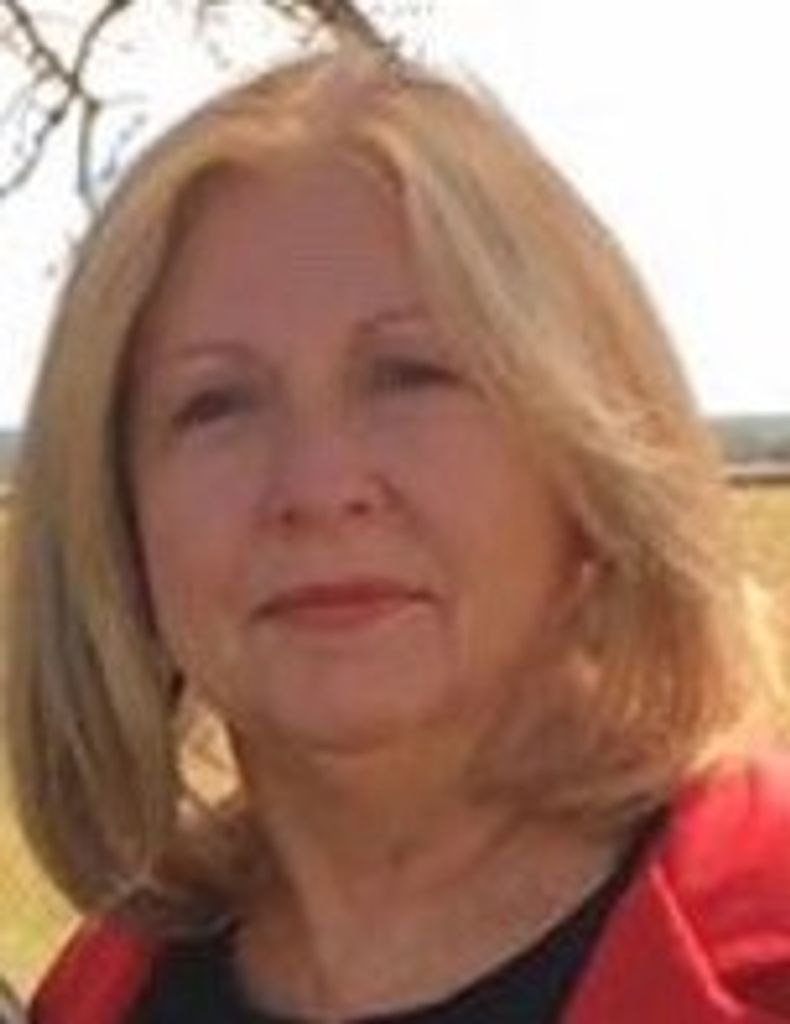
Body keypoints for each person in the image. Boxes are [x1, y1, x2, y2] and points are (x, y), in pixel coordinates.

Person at [3, 37, 790, 1024]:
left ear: (589, 456)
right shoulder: (99, 999)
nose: (318, 487)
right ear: (118, 517)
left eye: (410, 375)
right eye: (217, 405)